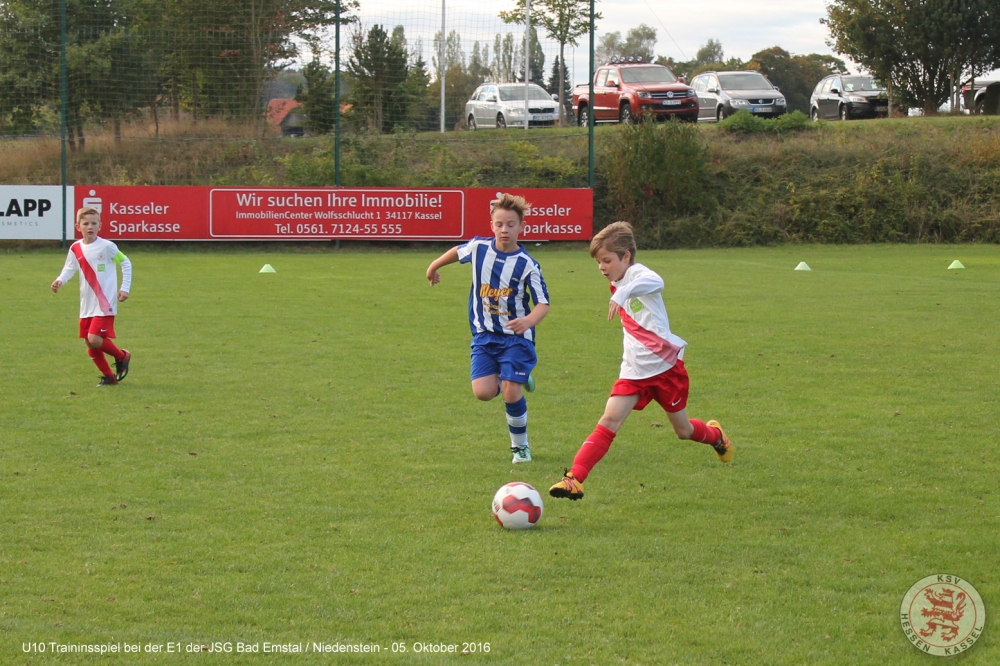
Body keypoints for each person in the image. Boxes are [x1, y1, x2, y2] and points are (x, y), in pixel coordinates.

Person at [549, 221, 732, 501]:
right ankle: (574, 479)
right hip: (634, 372)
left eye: (607, 260)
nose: (601, 267)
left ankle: (716, 436)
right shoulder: (617, 280)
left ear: (626, 257)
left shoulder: (636, 274)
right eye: (598, 262)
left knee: (683, 431)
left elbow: (657, 282)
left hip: (666, 369)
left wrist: (624, 292)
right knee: (609, 419)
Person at [426, 193, 550, 464]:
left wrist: (528, 321)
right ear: (492, 225)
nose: (504, 229)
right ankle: (515, 377)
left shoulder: (528, 265)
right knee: (482, 393)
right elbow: (456, 252)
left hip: (517, 338)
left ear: (521, 227)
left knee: (510, 391)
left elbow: (543, 303)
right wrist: (433, 266)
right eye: (499, 224)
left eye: (511, 224)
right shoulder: (479, 248)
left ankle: (520, 448)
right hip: (484, 336)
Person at [51, 207, 132, 386]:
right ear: (78, 226)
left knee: (95, 338)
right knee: (89, 342)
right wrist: (60, 280)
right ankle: (109, 377)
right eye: (86, 223)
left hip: (105, 302)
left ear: (100, 226)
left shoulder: (107, 246)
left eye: (94, 223)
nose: (90, 227)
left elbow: (125, 263)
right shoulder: (76, 248)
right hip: (87, 303)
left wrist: (124, 288)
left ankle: (122, 356)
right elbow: (70, 268)